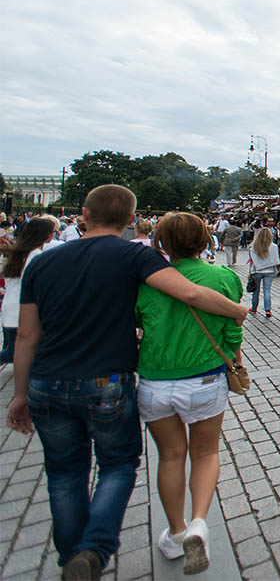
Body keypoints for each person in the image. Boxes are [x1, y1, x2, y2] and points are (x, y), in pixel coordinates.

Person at [5, 185, 247, 581]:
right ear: (131, 217)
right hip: (130, 378)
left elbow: (27, 336)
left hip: (65, 380)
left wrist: (19, 395)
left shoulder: (44, 263)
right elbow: (190, 295)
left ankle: (83, 554)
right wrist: (237, 313)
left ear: (83, 213)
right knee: (132, 463)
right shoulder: (138, 259)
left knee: (69, 472)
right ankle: (163, 532)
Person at [134, 212, 244, 574]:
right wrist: (235, 359)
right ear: (204, 240)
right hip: (205, 381)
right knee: (206, 451)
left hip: (155, 381)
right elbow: (231, 330)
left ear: (161, 243)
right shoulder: (223, 277)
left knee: (169, 456)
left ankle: (176, 532)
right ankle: (198, 521)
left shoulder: (146, 281)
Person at [1, 218, 59, 363]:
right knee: (12, 352)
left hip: (11, 305)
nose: (54, 235)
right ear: (45, 234)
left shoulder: (20, 252)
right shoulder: (35, 255)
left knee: (12, 348)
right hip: (21, 308)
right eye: (53, 232)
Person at [247, 227, 280, 317]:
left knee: (255, 291)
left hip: (257, 270)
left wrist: (249, 272)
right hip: (269, 271)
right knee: (267, 290)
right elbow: (276, 260)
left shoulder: (253, 246)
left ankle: (254, 308)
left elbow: (251, 261)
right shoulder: (274, 246)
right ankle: (268, 310)